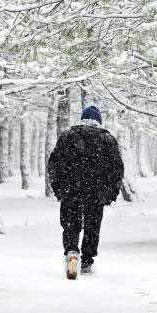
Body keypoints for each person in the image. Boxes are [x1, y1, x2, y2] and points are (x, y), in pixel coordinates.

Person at [48, 104, 124, 279]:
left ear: (82, 119)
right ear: (98, 121)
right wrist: (112, 192)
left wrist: (58, 188)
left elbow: (54, 163)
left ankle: (72, 252)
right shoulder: (107, 139)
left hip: (70, 191)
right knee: (92, 227)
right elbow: (117, 168)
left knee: (70, 224)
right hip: (96, 193)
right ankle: (87, 261)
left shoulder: (67, 136)